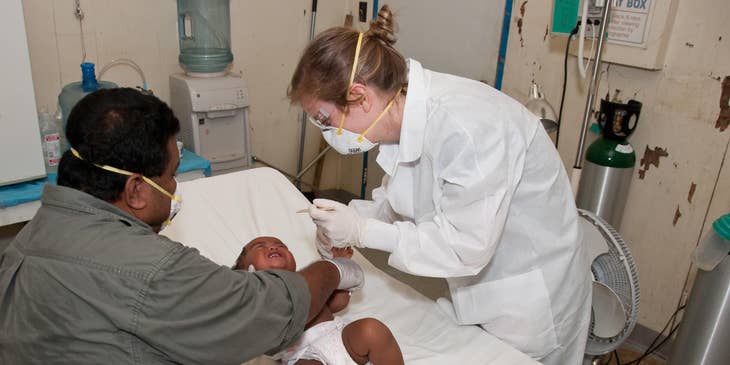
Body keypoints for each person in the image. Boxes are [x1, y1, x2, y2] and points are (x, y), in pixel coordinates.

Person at [288, 5, 591, 365]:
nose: (324, 132)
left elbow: (464, 246)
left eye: (324, 119)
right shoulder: (398, 119)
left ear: (360, 96)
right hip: (476, 295)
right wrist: (349, 222)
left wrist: (361, 231)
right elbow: (398, 197)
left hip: (530, 307)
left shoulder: (467, 128)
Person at [0, 88, 363, 364]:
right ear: (137, 190)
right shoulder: (150, 267)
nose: (174, 187)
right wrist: (334, 268)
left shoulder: (27, 240)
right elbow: (270, 312)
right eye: (171, 175)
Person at [234, 236, 404, 365]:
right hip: (303, 356)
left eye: (281, 246)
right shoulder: (255, 300)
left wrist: (340, 264)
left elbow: (339, 302)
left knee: (371, 330)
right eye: (260, 247)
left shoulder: (306, 285)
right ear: (245, 272)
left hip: (342, 341)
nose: (273, 246)